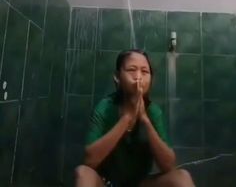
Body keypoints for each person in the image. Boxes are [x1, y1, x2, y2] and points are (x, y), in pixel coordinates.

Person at [75, 49, 195, 187]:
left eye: (145, 72)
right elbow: (89, 160)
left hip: (140, 184)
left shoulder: (154, 112)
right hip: (107, 183)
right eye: (132, 70)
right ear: (117, 77)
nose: (138, 77)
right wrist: (127, 118)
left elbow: (168, 166)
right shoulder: (105, 107)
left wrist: (144, 119)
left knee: (182, 177)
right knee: (83, 172)